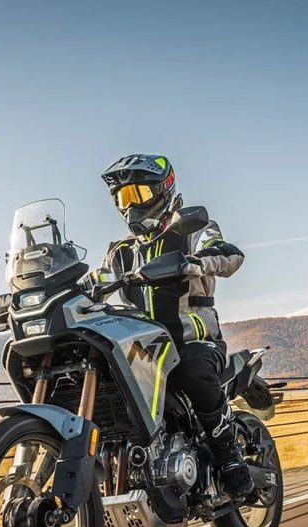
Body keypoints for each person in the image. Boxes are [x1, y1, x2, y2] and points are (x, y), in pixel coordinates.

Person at [88, 154, 255, 499]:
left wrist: (195, 262)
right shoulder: (119, 252)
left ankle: (230, 459)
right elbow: (97, 280)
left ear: (163, 191)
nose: (130, 205)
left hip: (193, 342)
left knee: (192, 371)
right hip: (144, 349)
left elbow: (230, 254)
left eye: (138, 193)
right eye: (123, 197)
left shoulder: (191, 231)